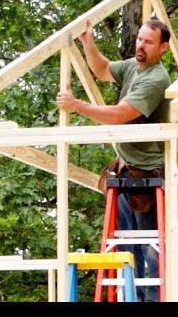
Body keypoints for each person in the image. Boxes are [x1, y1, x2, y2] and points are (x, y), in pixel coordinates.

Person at [56, 18, 171, 302]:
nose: (141, 45)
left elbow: (121, 114)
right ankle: (126, 298)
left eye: (148, 42)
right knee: (125, 251)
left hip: (148, 178)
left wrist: (78, 106)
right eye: (140, 39)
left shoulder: (156, 79)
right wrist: (87, 40)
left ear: (163, 47)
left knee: (150, 251)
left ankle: (152, 301)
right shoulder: (133, 66)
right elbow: (103, 69)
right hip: (127, 174)